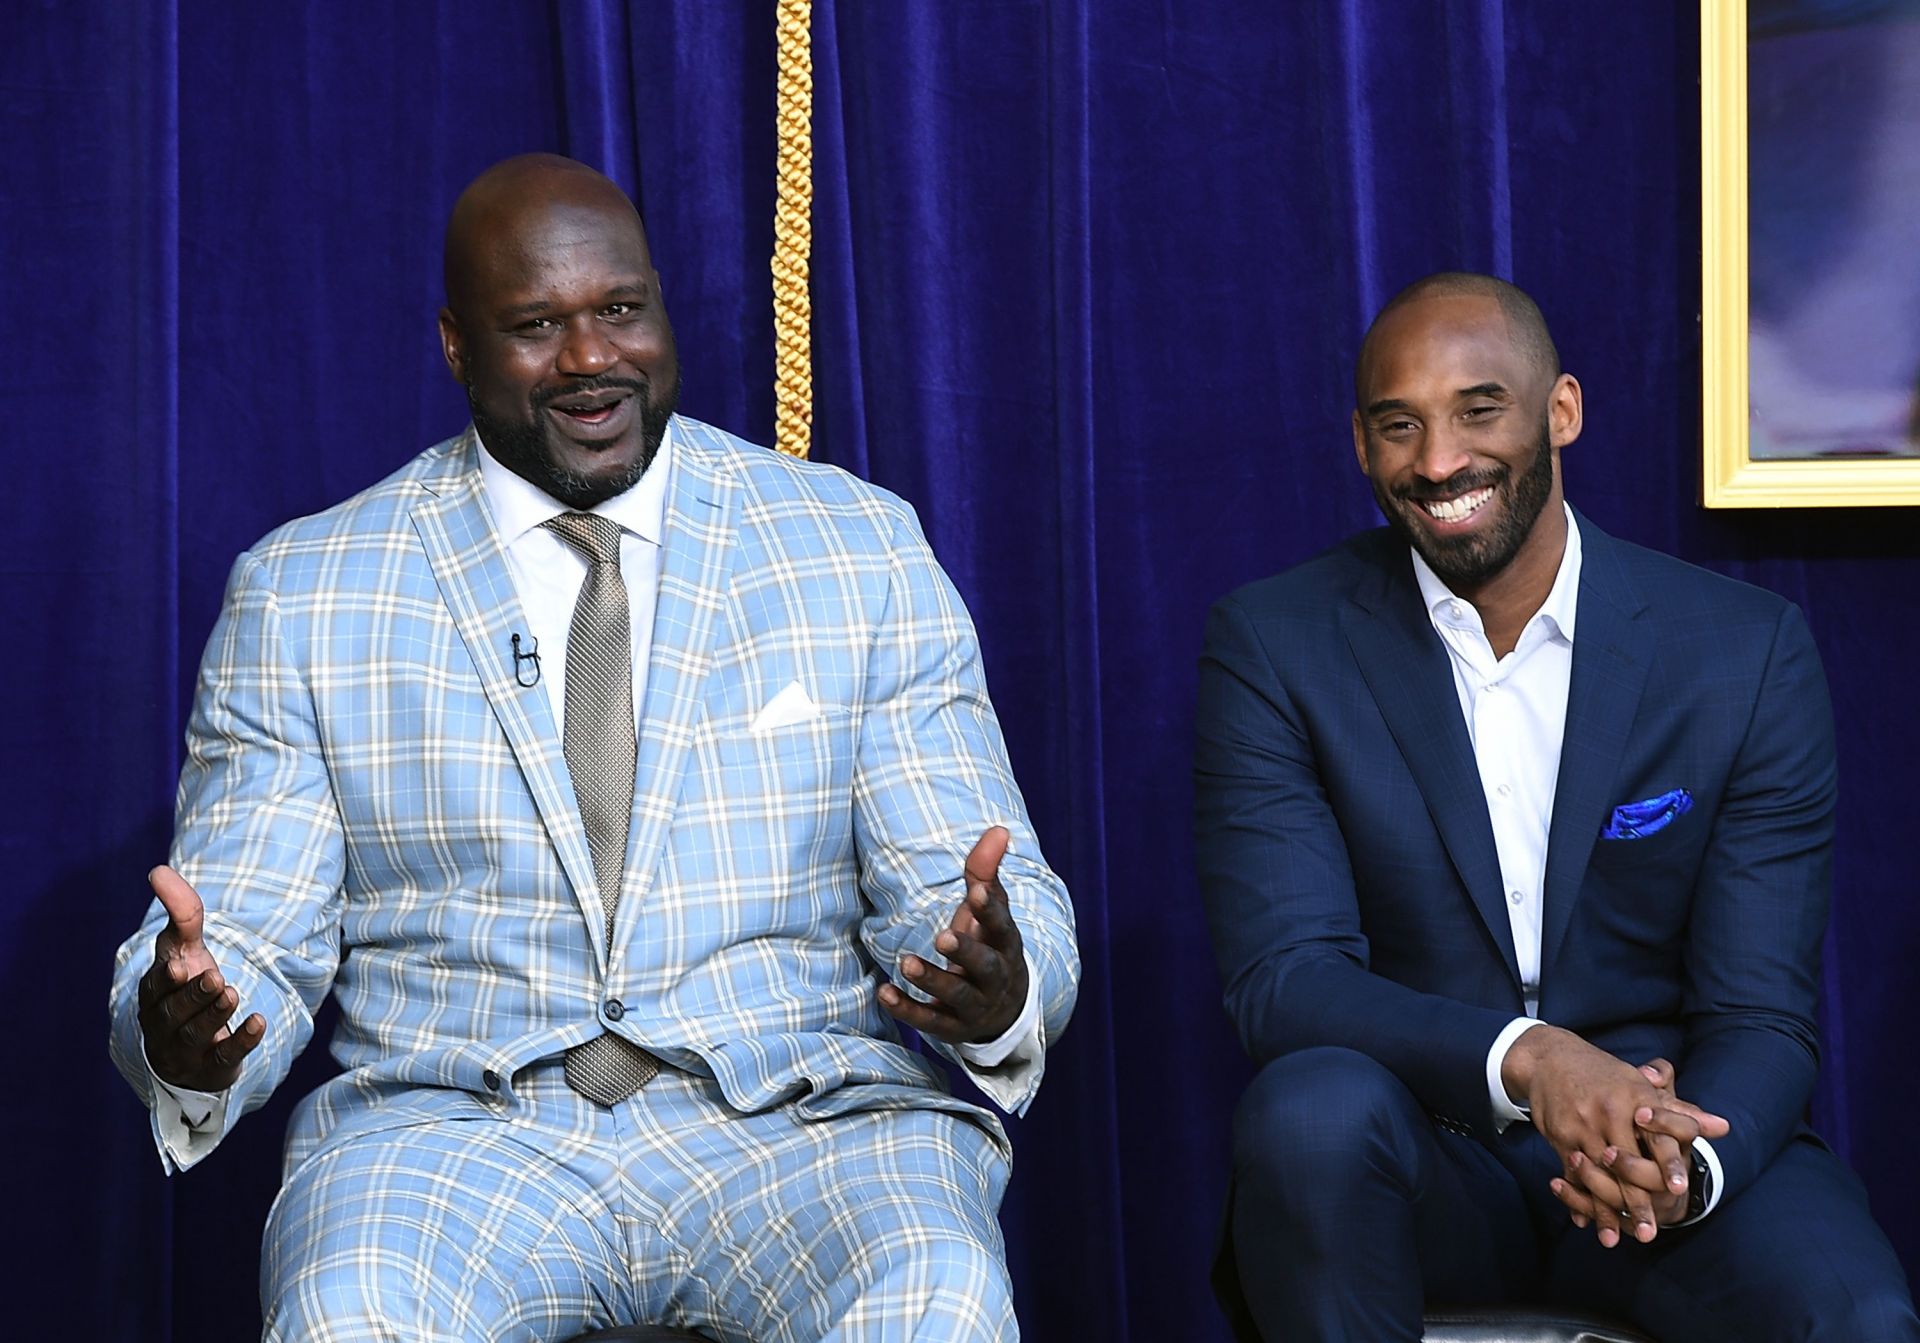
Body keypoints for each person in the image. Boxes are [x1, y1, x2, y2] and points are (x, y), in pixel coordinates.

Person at [108, 153, 1079, 1343]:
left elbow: (971, 877)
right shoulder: (307, 591)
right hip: (454, 1138)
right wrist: (191, 1024)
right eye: (536, 325)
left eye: (620, 309)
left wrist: (995, 980)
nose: (590, 358)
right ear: (458, 345)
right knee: (347, 1313)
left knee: (937, 1295)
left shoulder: (855, 544)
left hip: (808, 1128)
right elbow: (242, 930)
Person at [1193, 272, 1918, 1341]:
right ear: (1361, 444)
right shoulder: (1276, 644)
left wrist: (1682, 1163)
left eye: (1479, 409)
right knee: (1306, 1115)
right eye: (1401, 426)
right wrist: (1532, 1059)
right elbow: (1285, 979)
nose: (1440, 462)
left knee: (1854, 1312)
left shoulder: (1741, 653)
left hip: (1660, 1150)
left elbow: (1759, 1012)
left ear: (1561, 410)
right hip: (1422, 1161)